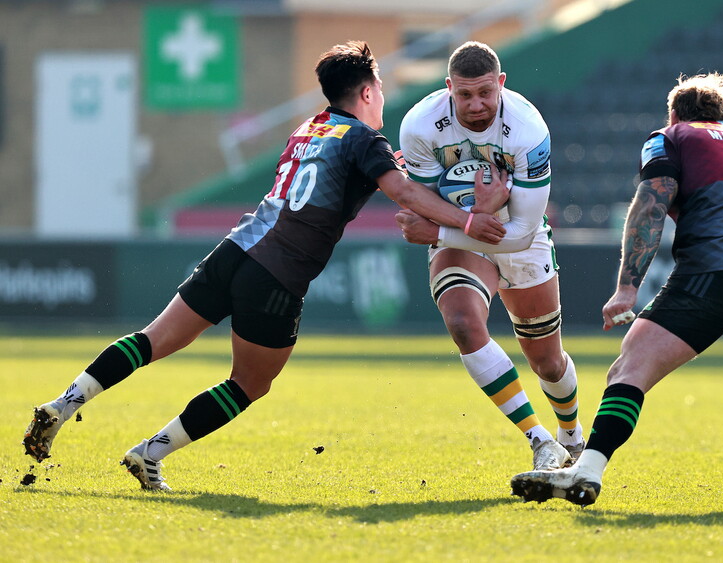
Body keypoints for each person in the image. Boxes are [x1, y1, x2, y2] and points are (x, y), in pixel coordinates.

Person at [22, 40, 509, 491]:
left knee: (153, 339)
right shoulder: (365, 139)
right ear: (367, 92)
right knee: (251, 383)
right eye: (380, 88)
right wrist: (469, 220)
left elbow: (343, 177)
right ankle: (150, 453)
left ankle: (62, 404)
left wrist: (391, 166)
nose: (381, 97)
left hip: (235, 248)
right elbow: (402, 192)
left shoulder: (309, 128)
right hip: (279, 272)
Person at [510, 72, 723, 507]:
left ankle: (587, 470)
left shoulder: (671, 137)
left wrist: (626, 287)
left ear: (674, 115)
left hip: (716, 268)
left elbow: (651, 204)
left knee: (630, 367)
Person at [394, 41, 584, 471]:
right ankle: (540, 441)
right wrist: (468, 221)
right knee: (463, 323)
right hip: (460, 233)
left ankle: (572, 437)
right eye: (465, 95)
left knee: (547, 363)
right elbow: (424, 202)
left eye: (485, 92)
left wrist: (442, 230)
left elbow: (520, 234)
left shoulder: (528, 128)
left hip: (516, 233)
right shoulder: (420, 125)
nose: (476, 104)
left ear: (501, 83)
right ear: (449, 88)